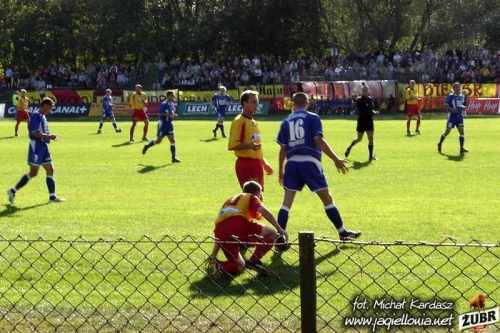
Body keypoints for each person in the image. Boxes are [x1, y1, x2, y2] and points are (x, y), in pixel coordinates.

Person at [275, 92, 361, 245]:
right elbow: (318, 140)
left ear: (293, 105)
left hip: (292, 164)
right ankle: (343, 233)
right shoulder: (313, 117)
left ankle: (280, 237)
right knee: (327, 199)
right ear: (308, 104)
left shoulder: (285, 121)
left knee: (286, 202)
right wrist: (336, 159)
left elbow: (282, 149)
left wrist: (281, 170)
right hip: (309, 162)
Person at [206, 181, 288, 277]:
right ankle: (254, 260)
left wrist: (213, 254)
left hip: (220, 231)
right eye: (260, 193)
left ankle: (218, 265)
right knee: (272, 233)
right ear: (257, 193)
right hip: (239, 226)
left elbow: (221, 232)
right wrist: (280, 229)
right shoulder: (250, 197)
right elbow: (265, 212)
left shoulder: (230, 201)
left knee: (239, 266)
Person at [7, 97, 66, 204]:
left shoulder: (42, 116)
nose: (50, 110)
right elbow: (34, 133)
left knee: (50, 169)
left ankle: (52, 197)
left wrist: (49, 137)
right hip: (36, 147)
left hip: (43, 146)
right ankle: (12, 191)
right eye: (50, 108)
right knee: (33, 173)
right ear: (45, 105)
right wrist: (50, 136)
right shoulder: (36, 116)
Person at [228, 90, 273, 192]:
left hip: (256, 164)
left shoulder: (254, 122)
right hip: (246, 164)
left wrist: (263, 163)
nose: (257, 104)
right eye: (254, 102)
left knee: (258, 197)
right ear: (245, 103)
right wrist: (249, 145)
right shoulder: (239, 121)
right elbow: (232, 145)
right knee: (252, 198)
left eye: (257, 102)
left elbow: (256, 146)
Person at [142, 91, 181, 163]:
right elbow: (159, 113)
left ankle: (173, 157)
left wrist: (174, 115)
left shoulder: (172, 104)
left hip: (169, 124)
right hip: (163, 124)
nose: (174, 97)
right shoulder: (165, 104)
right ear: (168, 96)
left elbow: (170, 113)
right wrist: (169, 115)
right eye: (172, 96)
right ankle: (147, 146)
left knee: (172, 140)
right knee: (158, 141)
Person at [344, 85, 379, 161]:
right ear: (362, 91)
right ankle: (349, 148)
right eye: (363, 90)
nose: (365, 92)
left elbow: (370, 109)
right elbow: (354, 105)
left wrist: (374, 112)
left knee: (371, 137)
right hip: (361, 121)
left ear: (368, 91)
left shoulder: (370, 100)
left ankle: (370, 156)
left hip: (369, 120)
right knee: (359, 139)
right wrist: (353, 100)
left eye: (366, 90)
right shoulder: (360, 100)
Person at [437, 82, 469, 154]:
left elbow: (460, 105)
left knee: (462, 133)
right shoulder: (451, 96)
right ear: (453, 89)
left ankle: (461, 148)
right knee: (447, 132)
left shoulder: (461, 96)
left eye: (458, 87)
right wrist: (452, 109)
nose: (458, 88)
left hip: (459, 117)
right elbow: (445, 105)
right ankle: (440, 143)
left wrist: (463, 107)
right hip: (452, 117)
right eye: (456, 87)